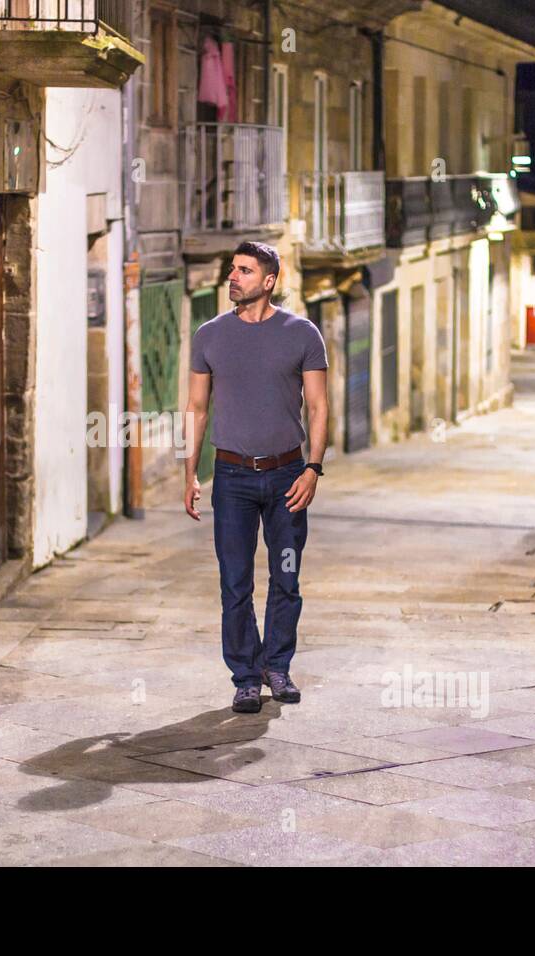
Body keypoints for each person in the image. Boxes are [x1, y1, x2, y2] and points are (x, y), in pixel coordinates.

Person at [183, 242, 329, 714]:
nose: (233, 277)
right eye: (232, 269)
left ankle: (277, 666)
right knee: (235, 581)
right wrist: (190, 472)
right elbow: (196, 408)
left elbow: (319, 406)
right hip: (232, 478)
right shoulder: (209, 336)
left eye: (244, 271)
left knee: (286, 576)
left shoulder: (302, 334)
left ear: (268, 282)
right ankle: (246, 675)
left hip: (288, 475)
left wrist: (313, 468)